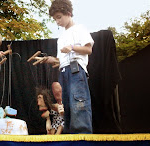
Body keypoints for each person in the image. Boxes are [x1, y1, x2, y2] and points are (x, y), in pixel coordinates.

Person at [45, 0, 94, 134]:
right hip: (64, 71)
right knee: (65, 106)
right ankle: (70, 136)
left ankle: (82, 137)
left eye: (59, 17)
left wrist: (72, 47)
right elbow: (60, 60)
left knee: (79, 104)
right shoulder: (61, 37)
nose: (57, 22)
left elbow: (88, 49)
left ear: (69, 13)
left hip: (76, 70)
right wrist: (51, 60)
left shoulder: (79, 28)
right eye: (55, 19)